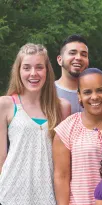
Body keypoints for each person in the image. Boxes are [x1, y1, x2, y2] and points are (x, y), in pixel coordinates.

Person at [0, 43, 71, 204]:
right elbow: (1, 158)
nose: (33, 73)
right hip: (12, 194)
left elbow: (63, 163)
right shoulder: (5, 105)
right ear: (18, 71)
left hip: (48, 194)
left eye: (39, 67)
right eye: (26, 67)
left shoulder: (62, 108)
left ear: (47, 71)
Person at [53, 68, 102, 204]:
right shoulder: (66, 129)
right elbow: (61, 177)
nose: (94, 97)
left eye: (99, 90)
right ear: (79, 96)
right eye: (87, 92)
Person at [55, 34, 89, 114]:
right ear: (60, 60)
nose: (78, 58)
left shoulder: (95, 94)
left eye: (83, 55)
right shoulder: (48, 92)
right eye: (72, 53)